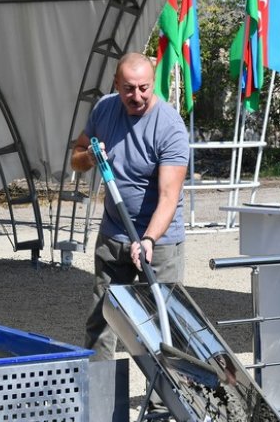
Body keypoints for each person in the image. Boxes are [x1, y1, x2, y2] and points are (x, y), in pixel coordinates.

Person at [70, 52, 189, 362]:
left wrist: (148, 239)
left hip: (159, 243)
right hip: (114, 237)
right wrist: (91, 157)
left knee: (164, 328)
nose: (137, 96)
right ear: (116, 84)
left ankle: (163, 405)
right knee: (101, 322)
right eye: (128, 88)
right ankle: (99, 399)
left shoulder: (170, 127)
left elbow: (168, 197)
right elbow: (77, 155)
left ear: (152, 85)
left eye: (144, 88)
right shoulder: (104, 109)